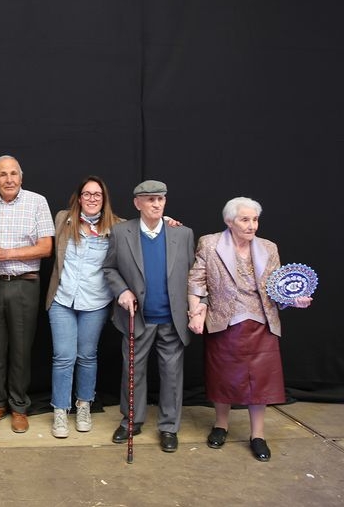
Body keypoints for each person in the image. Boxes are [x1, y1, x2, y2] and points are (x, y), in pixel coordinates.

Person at [187, 197, 312, 462]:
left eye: (255, 219)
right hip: (224, 322)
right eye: (245, 219)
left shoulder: (269, 247)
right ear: (229, 221)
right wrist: (195, 312)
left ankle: (258, 435)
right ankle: (221, 425)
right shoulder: (209, 244)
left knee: (261, 382)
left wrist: (294, 299)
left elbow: (278, 289)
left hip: (261, 323)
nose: (252, 225)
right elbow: (197, 282)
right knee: (222, 377)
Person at [102, 180, 194, 453]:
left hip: (172, 318)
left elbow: (193, 274)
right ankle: (131, 420)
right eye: (150, 199)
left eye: (160, 199)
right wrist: (122, 291)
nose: (156, 204)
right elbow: (109, 268)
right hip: (137, 317)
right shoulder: (121, 232)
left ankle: (169, 427)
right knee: (133, 371)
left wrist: (198, 306)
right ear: (137, 203)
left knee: (172, 375)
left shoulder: (183, 233)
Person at [0, 155, 55, 434]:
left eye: (13, 173)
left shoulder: (37, 202)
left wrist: (6, 253)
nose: (9, 179)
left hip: (25, 284)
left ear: (21, 177)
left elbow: (46, 247)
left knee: (20, 349)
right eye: (2, 174)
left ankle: (18, 407)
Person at [45, 176, 122, 438]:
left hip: (95, 302)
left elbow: (143, 229)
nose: (91, 198)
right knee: (63, 357)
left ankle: (84, 405)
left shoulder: (117, 226)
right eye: (87, 194)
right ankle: (60, 410)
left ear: (104, 199)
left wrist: (166, 221)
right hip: (63, 299)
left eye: (97, 194)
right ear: (79, 198)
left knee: (87, 356)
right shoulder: (63, 219)